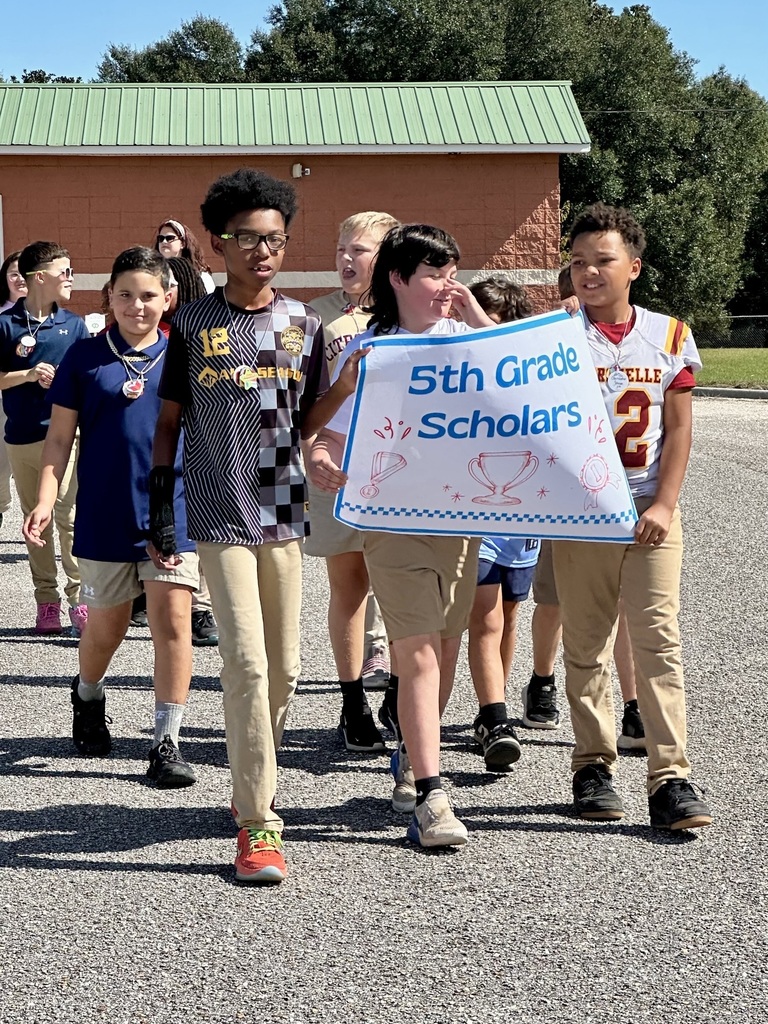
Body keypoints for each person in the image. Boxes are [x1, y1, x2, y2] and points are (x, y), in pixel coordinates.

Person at [151, 168, 363, 883]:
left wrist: (343, 389)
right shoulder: (188, 323)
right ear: (218, 242)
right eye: (247, 238)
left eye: (273, 239)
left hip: (284, 509)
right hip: (217, 512)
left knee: (287, 670)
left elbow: (306, 421)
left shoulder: (303, 323)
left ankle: (256, 774)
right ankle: (257, 822)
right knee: (243, 661)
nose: (261, 251)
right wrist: (159, 504)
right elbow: (170, 422)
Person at [310, 224, 494, 848]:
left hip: (464, 522)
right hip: (391, 524)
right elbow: (328, 432)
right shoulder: (370, 352)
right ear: (397, 279)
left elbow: (531, 392)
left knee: (443, 651)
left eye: (452, 274)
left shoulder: (474, 343)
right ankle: (435, 794)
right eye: (436, 276)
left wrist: (473, 315)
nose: (448, 288)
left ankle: (414, 759)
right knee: (414, 650)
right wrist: (321, 458)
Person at [553, 202, 712, 830]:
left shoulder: (670, 335)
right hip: (583, 514)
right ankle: (592, 764)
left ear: (634, 267)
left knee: (658, 642)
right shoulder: (558, 334)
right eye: (578, 262)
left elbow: (678, 430)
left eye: (603, 260)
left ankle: (670, 776)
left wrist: (667, 503)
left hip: (648, 509)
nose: (589, 272)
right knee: (586, 643)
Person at [23, 247, 198, 787]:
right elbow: (58, 439)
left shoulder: (186, 356)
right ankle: (88, 691)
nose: (136, 305)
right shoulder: (85, 357)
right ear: (110, 298)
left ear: (167, 298)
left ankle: (166, 740)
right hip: (104, 510)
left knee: (173, 619)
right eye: (125, 294)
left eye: (148, 295)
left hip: (173, 510)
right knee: (110, 624)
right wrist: (47, 498)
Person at [527, 263, 647, 752]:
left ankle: (634, 706)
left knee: (622, 607)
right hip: (571, 495)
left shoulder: (639, 341)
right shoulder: (557, 340)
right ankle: (542, 678)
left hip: (623, 493)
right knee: (554, 600)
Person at [306, 212, 400, 752]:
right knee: (349, 588)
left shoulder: (407, 314)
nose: (346, 258)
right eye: (342, 247)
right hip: (339, 466)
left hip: (399, 474)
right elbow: (307, 400)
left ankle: (397, 689)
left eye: (360, 250)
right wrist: (311, 449)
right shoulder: (315, 317)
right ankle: (351, 702)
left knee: (401, 585)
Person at [464, 277, 538, 771]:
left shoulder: (530, 370)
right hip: (479, 511)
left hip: (524, 511)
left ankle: (496, 705)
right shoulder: (460, 372)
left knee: (511, 613)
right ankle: (496, 717)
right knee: (485, 615)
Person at [0, 241, 89, 634]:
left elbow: (87, 381)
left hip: (66, 437)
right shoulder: (5, 325)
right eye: (64, 271)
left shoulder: (75, 325)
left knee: (68, 518)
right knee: (36, 523)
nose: (70, 277)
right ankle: (46, 602)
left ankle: (79, 601)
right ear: (40, 277)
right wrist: (29, 374)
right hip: (21, 438)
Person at [0, 250, 28, 532]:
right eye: (13, 273)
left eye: (24, 273)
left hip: (34, 404)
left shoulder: (50, 314)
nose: (19, 279)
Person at [154, 220, 215, 293]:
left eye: (169, 238)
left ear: (182, 243)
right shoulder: (153, 272)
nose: (164, 242)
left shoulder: (200, 275)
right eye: (161, 238)